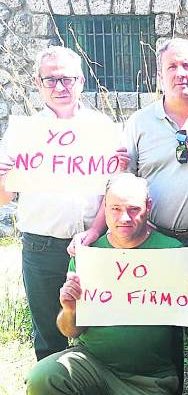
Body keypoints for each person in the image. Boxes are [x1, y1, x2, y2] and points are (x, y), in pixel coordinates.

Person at [26, 173, 188, 395]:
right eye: (115, 209)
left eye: (134, 209)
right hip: (93, 365)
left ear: (148, 207)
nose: (124, 218)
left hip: (149, 377)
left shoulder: (172, 251)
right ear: (104, 207)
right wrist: (69, 309)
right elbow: (70, 330)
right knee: (43, 377)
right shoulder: (88, 256)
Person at [0, 46, 127, 361]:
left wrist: (96, 230)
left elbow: (114, 192)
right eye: (51, 80)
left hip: (94, 243)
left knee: (100, 331)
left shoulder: (103, 128)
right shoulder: (23, 134)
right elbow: (4, 198)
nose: (59, 87)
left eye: (67, 79)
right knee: (48, 335)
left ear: (81, 81)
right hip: (40, 247)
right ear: (38, 82)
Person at [122, 38, 188, 394]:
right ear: (160, 74)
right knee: (164, 324)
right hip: (159, 240)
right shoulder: (139, 122)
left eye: (187, 66)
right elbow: (126, 180)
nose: (181, 73)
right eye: (172, 66)